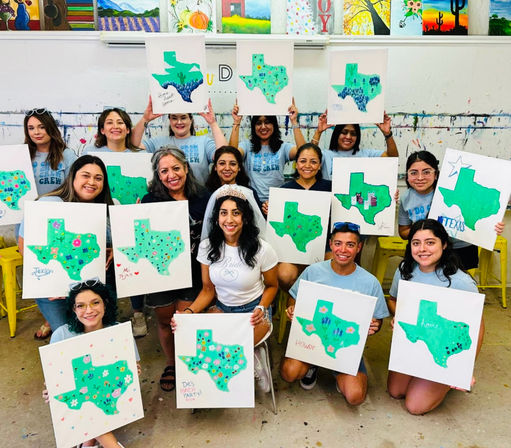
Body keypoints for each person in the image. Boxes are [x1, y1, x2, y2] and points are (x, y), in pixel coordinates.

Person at [172, 184, 278, 392]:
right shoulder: (207, 247)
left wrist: (262, 308)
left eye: (236, 213)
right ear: (217, 217)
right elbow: (207, 290)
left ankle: (257, 358)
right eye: (223, 213)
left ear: (245, 218)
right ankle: (249, 355)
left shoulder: (262, 248)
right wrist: (188, 313)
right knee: (202, 344)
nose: (229, 220)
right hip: (222, 308)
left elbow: (273, 286)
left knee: (231, 349)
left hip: (255, 311)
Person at [280, 222, 389, 405]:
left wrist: (375, 326)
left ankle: (338, 371)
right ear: (331, 244)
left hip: (345, 347)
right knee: (289, 373)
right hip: (313, 341)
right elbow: (294, 298)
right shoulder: (313, 272)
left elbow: (378, 321)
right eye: (338, 243)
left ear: (359, 248)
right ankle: (312, 364)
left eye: (350, 244)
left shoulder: (370, 283)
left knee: (355, 397)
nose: (343, 250)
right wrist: (292, 308)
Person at [387, 219, 484, 415]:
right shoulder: (405, 269)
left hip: (441, 345)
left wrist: (462, 369)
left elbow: (478, 326)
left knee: (414, 406)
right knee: (395, 391)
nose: (422, 249)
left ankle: (446, 380)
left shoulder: (461, 282)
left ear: (444, 244)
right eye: (416, 243)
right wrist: (399, 315)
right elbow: (393, 300)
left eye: (430, 242)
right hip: (418, 342)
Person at [18, 155, 114, 340]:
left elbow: (106, 244)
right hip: (53, 293)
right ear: (73, 177)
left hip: (92, 292)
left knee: (94, 336)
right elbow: (25, 244)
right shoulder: (49, 205)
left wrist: (112, 251)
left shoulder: (103, 210)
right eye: (85, 175)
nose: (92, 182)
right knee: (68, 338)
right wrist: (52, 283)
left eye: (98, 178)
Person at [141, 146, 210, 392]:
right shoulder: (150, 201)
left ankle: (188, 364)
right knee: (163, 320)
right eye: (164, 171)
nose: (171, 174)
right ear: (158, 176)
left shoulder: (204, 197)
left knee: (184, 322)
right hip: (161, 274)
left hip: (193, 272)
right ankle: (171, 363)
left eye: (176, 168)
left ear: (186, 168)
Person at [43, 279, 140, 448]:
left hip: (109, 394)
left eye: (95, 303)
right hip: (79, 401)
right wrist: (51, 389)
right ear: (73, 309)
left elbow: (133, 367)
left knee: (93, 394)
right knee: (87, 396)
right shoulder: (62, 335)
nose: (89, 310)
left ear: (105, 303)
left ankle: (87, 444)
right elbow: (55, 377)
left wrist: (134, 371)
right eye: (80, 306)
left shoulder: (119, 332)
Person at [83, 107, 148, 337]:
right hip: (102, 219)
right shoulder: (91, 154)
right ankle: (106, 316)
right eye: (109, 122)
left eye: (120, 122)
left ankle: (138, 311)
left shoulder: (140, 156)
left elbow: (147, 186)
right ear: (102, 129)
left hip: (132, 218)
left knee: (133, 263)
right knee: (105, 267)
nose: (115, 126)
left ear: (128, 128)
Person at [398, 150, 504, 270]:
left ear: (436, 174)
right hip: (426, 251)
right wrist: (424, 228)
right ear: (407, 175)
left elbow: (479, 216)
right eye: (414, 173)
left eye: (426, 172)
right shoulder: (405, 198)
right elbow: (403, 232)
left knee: (458, 285)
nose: (420, 177)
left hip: (460, 249)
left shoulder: (456, 191)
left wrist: (492, 227)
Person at [131, 97, 227, 184]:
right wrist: (145, 119)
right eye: (174, 118)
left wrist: (213, 123)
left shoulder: (204, 142)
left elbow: (225, 155)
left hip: (199, 199)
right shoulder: (158, 142)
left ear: (191, 119)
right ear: (170, 120)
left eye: (183, 117)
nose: (179, 122)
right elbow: (132, 145)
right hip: (169, 201)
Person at [277, 142, 332, 292]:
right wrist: (270, 209)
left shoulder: (331, 187)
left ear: (320, 165)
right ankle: (295, 302)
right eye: (302, 161)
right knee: (285, 275)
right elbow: (282, 223)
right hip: (292, 246)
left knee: (334, 269)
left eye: (313, 162)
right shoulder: (285, 190)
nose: (307, 165)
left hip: (325, 244)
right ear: (296, 164)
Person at [229, 100, 306, 204]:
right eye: (258, 123)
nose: (263, 127)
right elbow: (231, 155)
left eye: (267, 122)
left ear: (274, 125)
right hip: (251, 201)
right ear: (253, 127)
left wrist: (294, 121)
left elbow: (304, 154)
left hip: (277, 201)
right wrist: (237, 122)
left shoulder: (283, 147)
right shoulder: (247, 146)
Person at [201, 146, 266, 240]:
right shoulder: (206, 194)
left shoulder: (249, 193)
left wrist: (266, 210)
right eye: (222, 163)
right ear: (215, 167)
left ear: (239, 167)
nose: (227, 168)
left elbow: (257, 222)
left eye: (232, 164)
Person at [311, 111, 398, 180]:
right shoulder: (325, 155)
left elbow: (393, 158)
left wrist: (387, 133)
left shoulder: (367, 154)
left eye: (353, 134)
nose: (348, 137)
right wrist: (318, 132)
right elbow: (309, 156)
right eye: (344, 133)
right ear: (336, 134)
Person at [24, 108, 77, 196]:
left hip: (58, 208)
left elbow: (74, 190)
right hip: (26, 208)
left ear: (51, 128)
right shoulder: (22, 155)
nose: (36, 132)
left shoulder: (67, 155)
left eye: (42, 127)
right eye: (31, 128)